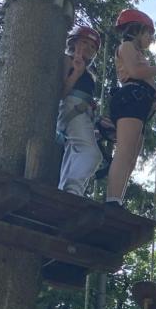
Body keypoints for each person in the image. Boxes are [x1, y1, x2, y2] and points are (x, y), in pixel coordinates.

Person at [104, 8, 156, 207]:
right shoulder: (127, 46)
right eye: (148, 34)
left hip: (139, 102)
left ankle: (116, 199)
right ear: (136, 30)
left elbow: (151, 104)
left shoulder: (138, 54)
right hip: (130, 98)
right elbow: (136, 72)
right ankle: (112, 200)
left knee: (131, 157)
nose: (150, 39)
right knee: (125, 151)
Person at [57, 24, 112, 196]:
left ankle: (66, 190)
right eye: (84, 42)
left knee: (74, 151)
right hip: (72, 108)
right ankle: (72, 190)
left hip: (81, 112)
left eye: (92, 47)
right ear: (73, 42)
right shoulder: (67, 60)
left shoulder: (88, 71)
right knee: (92, 154)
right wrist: (76, 73)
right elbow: (60, 93)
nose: (88, 48)